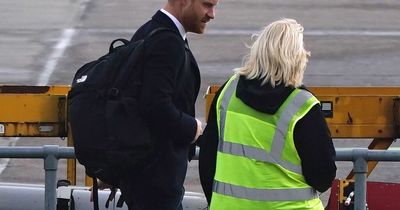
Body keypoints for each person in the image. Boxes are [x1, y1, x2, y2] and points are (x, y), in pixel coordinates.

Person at [197, 18, 337, 209]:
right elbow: (323, 176)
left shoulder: (228, 92)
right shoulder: (302, 105)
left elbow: (208, 158)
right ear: (298, 57)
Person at [95, 0, 218, 210]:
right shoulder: (167, 42)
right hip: (156, 182)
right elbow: (155, 107)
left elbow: (129, 106)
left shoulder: (150, 31)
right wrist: (193, 128)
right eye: (207, 5)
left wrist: (118, 169)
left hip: (145, 178)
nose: (212, 14)